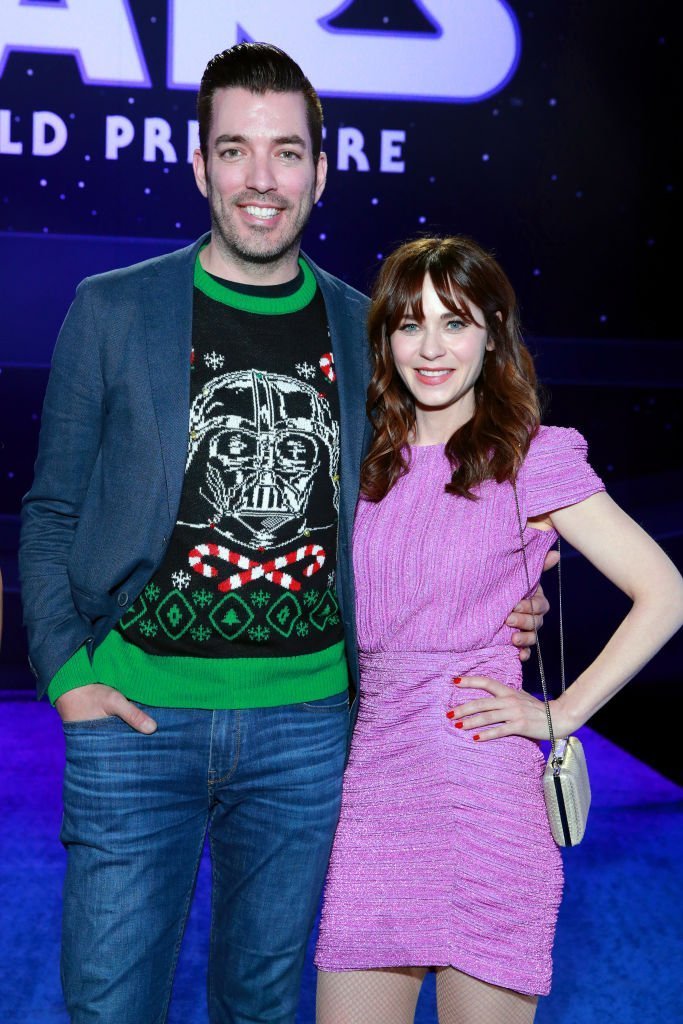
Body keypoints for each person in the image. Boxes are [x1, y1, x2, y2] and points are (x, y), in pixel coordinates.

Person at [20, 45, 549, 1024]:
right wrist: (66, 675)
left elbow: (435, 497)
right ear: (198, 165)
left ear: (318, 169)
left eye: (285, 153)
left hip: (308, 734)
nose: (261, 180)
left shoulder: (366, 331)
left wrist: (505, 592)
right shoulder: (111, 310)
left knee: (261, 1004)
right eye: (235, 150)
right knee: (105, 1005)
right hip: (133, 720)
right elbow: (51, 511)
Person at [314, 235, 683, 1024]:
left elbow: (664, 592)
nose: (431, 346)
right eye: (409, 325)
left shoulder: (532, 458)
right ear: (383, 340)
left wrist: (558, 713)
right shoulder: (360, 460)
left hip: (480, 787)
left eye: (455, 323)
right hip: (373, 781)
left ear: (492, 332)